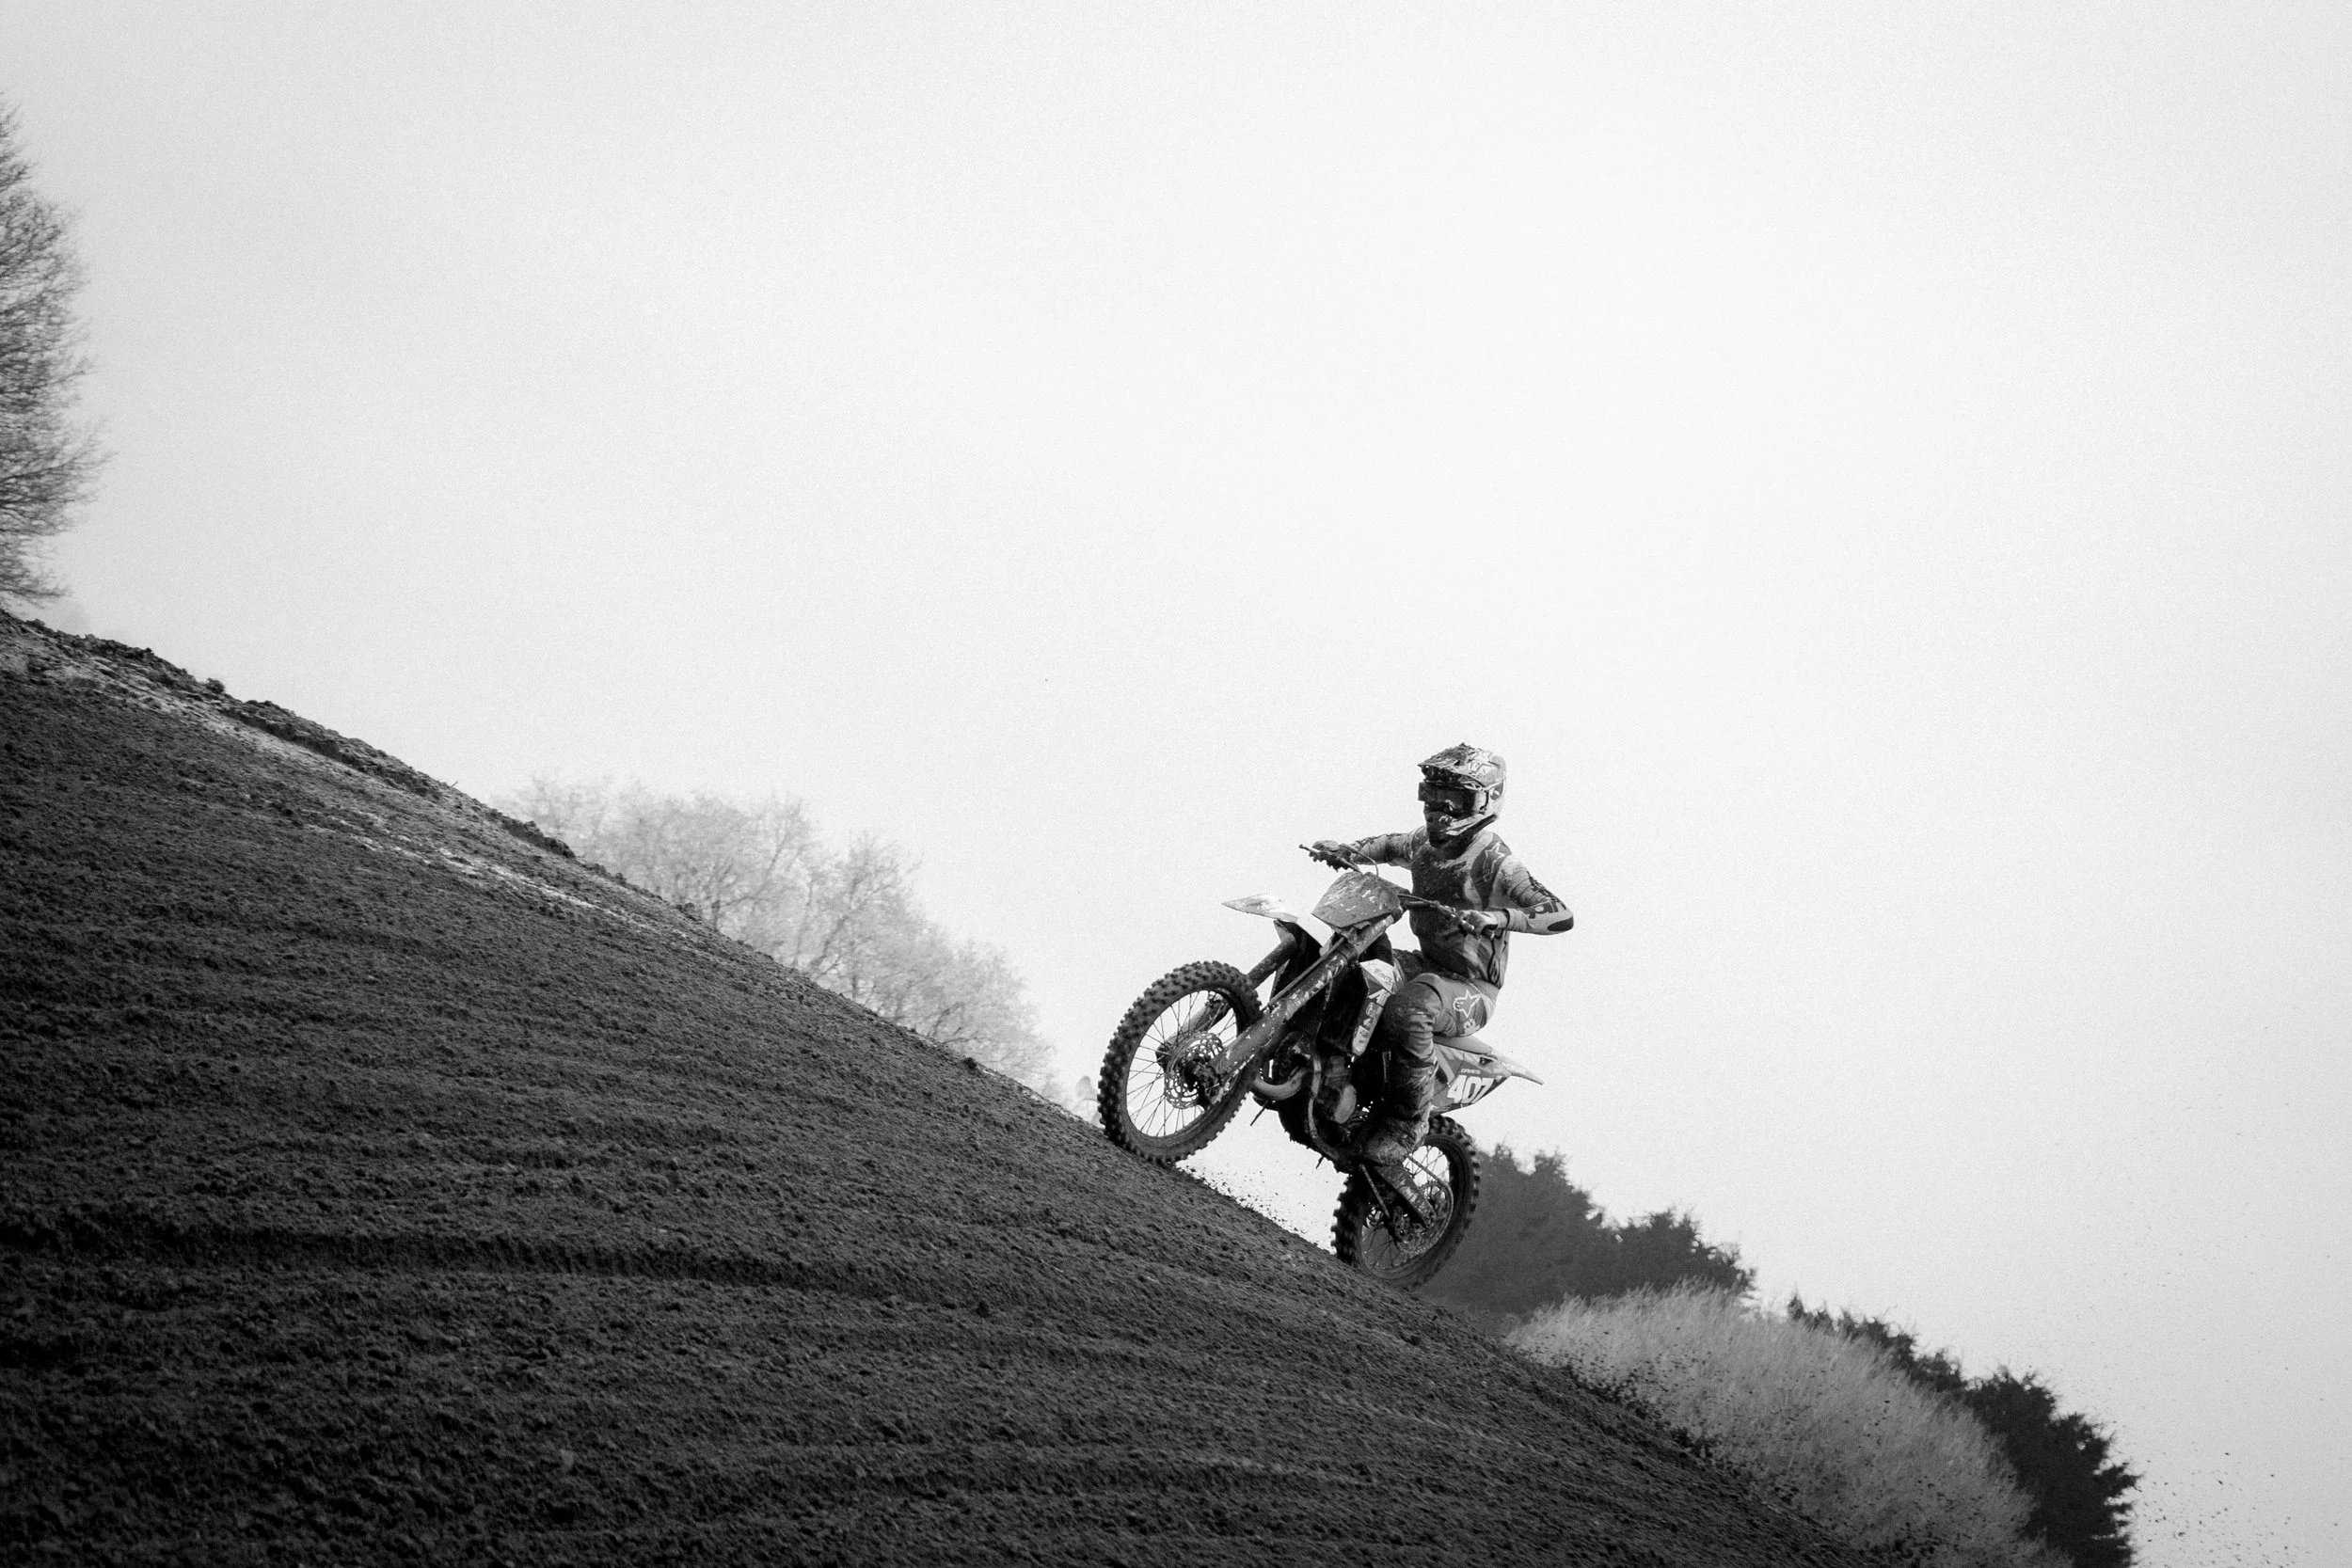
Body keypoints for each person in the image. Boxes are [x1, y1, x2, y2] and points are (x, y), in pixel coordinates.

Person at [1309, 743, 1573, 1168]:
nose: (1439, 810)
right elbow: (1383, 846)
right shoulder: (1422, 844)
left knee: (1407, 1010)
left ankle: (1405, 1121)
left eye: (1454, 800)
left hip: (1470, 988)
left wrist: (1498, 917)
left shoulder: (1495, 861)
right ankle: (1333, 1070)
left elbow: (1560, 914)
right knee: (1352, 967)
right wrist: (1345, 850)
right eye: (1431, 796)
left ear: (1486, 801)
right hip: (1425, 964)